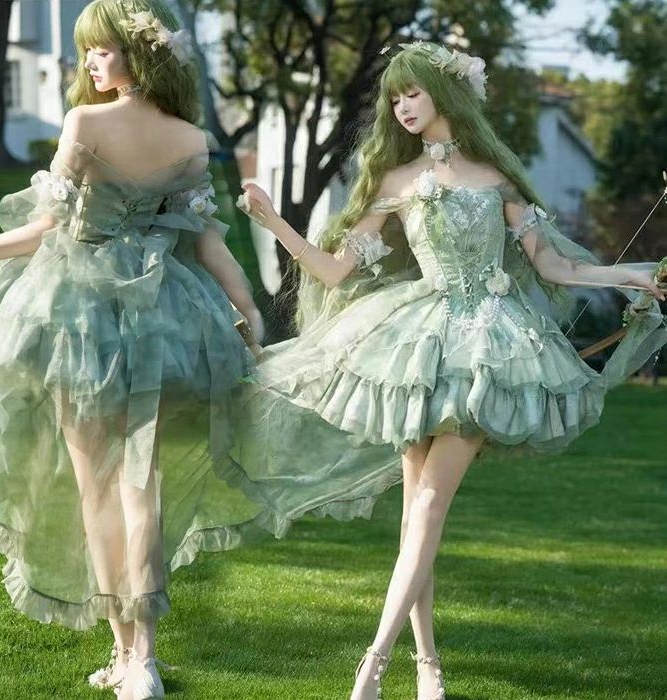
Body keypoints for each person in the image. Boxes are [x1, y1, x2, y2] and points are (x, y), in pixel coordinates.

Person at [235, 41, 667, 700]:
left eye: (412, 92)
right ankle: (427, 666)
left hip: (487, 350)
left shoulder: (497, 177)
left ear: (445, 93)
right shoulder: (395, 182)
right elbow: (334, 271)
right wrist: (273, 221)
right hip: (418, 345)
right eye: (394, 98)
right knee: (418, 516)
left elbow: (554, 266)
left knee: (430, 505)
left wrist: (630, 275)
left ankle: (373, 663)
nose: (403, 107)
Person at [0, 1, 268, 698]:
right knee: (140, 486)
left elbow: (43, 230)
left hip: (79, 315)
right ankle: (143, 660)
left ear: (138, 54)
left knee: (98, 489)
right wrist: (249, 308)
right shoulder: (190, 139)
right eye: (88, 51)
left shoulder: (85, 123)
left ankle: (127, 653)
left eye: (102, 49)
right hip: (162, 316)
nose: (90, 62)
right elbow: (209, 241)